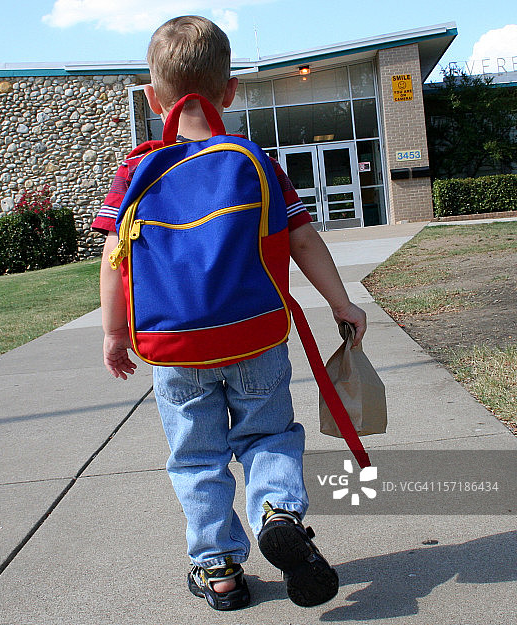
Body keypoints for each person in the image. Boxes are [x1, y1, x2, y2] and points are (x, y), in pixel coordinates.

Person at [93, 15, 367, 612]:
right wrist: (340, 302)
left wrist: (115, 333)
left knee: (197, 456)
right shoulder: (258, 163)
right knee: (268, 433)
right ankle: (277, 511)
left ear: (151, 96)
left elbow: (115, 260)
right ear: (231, 91)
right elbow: (302, 240)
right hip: (256, 339)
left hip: (174, 349)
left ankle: (217, 568)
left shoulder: (136, 172)